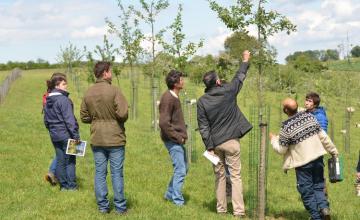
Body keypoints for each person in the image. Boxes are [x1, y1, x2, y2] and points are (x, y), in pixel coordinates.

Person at [197, 50, 251, 217]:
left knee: (219, 177)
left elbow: (203, 126)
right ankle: (239, 211)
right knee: (235, 176)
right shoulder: (228, 91)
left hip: (215, 144)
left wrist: (210, 147)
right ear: (218, 81)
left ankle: (221, 210)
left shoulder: (202, 101)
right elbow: (239, 78)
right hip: (232, 142)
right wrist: (245, 60)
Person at [269, 98, 339, 220]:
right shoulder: (310, 117)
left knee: (306, 192)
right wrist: (334, 151)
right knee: (318, 185)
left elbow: (281, 150)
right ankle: (324, 208)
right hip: (318, 159)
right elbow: (323, 137)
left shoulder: (286, 128)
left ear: (286, 110)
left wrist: (273, 139)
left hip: (303, 164)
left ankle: (316, 217)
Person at [80, 61, 128, 214]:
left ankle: (103, 207)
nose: (112, 74)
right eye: (110, 71)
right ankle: (120, 207)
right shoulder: (114, 90)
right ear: (106, 72)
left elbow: (84, 117)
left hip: (97, 138)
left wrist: (96, 119)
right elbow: (122, 114)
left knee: (100, 172)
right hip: (115, 138)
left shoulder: (88, 92)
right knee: (116, 173)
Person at [44, 73, 80, 191]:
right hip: (67, 135)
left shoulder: (47, 100)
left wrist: (52, 130)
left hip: (54, 135)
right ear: (57, 85)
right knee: (70, 162)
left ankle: (63, 186)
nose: (66, 86)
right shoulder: (63, 100)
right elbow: (70, 121)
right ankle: (72, 187)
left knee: (60, 160)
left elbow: (46, 121)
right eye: (64, 84)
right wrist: (76, 136)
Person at [159, 70, 188, 206]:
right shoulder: (168, 98)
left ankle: (169, 194)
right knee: (180, 169)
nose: (183, 81)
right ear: (176, 83)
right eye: (181, 79)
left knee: (184, 168)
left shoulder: (174, 96)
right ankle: (178, 201)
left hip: (176, 139)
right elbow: (164, 123)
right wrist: (178, 137)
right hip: (172, 140)